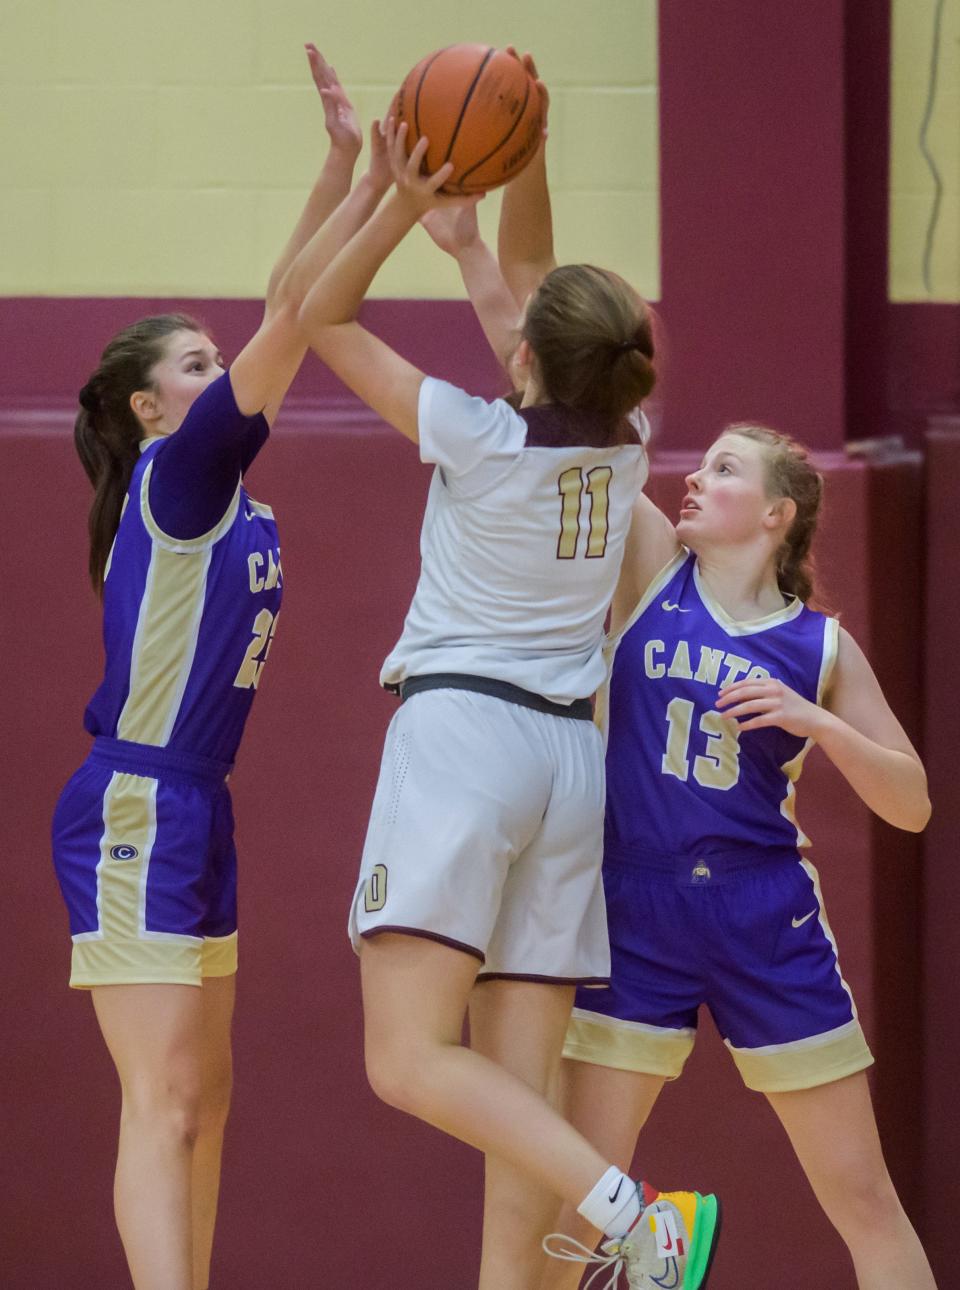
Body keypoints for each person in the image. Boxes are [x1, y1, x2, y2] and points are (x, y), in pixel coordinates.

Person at [297, 114, 720, 1290]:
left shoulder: (480, 438)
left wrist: (392, 192)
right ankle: (608, 1224)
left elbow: (320, 318)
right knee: (514, 1108)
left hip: (465, 742)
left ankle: (632, 1220)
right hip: (566, 765)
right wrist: (496, 209)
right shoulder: (625, 444)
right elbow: (538, 311)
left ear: (524, 365)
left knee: (408, 1061)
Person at [51, 49, 392, 1290]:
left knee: (212, 1103)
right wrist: (385, 198)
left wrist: (345, 165)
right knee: (164, 1101)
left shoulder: (222, 491)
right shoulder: (183, 477)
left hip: (198, 807)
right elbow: (293, 317)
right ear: (151, 412)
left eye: (210, 361)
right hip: (137, 804)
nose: (216, 371)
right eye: (191, 366)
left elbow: (280, 306)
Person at [537, 425, 937, 1290]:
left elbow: (913, 804)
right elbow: (587, 436)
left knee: (864, 1199)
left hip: (767, 916)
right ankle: (653, 1235)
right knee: (571, 1207)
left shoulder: (822, 648)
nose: (695, 479)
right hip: (637, 905)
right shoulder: (651, 568)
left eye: (724, 470)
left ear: (776, 513)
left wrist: (819, 722)